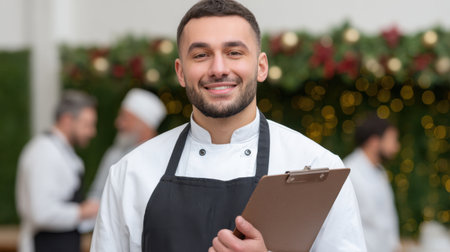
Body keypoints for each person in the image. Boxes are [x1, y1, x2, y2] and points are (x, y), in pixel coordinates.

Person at [91, 0, 366, 251]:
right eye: (201, 55)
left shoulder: (320, 168)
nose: (218, 68)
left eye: (234, 52)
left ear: (261, 67)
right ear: (180, 72)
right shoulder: (131, 173)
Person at [16, 90, 99, 252]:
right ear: (67, 120)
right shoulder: (44, 152)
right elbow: (41, 213)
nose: (92, 132)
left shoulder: (61, 151)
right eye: (87, 125)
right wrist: (83, 211)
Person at [88, 88, 166, 200]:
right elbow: (96, 196)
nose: (118, 123)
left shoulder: (163, 157)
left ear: (143, 124)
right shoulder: (114, 154)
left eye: (124, 118)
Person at [343, 114, 401, 252]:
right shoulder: (349, 173)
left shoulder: (380, 171)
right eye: (392, 140)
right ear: (374, 141)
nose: (396, 147)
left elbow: (388, 216)